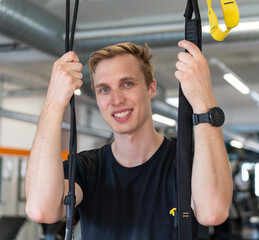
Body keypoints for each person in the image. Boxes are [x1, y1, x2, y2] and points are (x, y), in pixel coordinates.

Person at [25, 40, 233, 239]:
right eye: (104, 89)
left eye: (126, 84)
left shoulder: (188, 165)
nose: (116, 100)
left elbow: (213, 213)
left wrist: (203, 100)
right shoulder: (85, 169)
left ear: (151, 88)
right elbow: (41, 209)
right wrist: (53, 102)